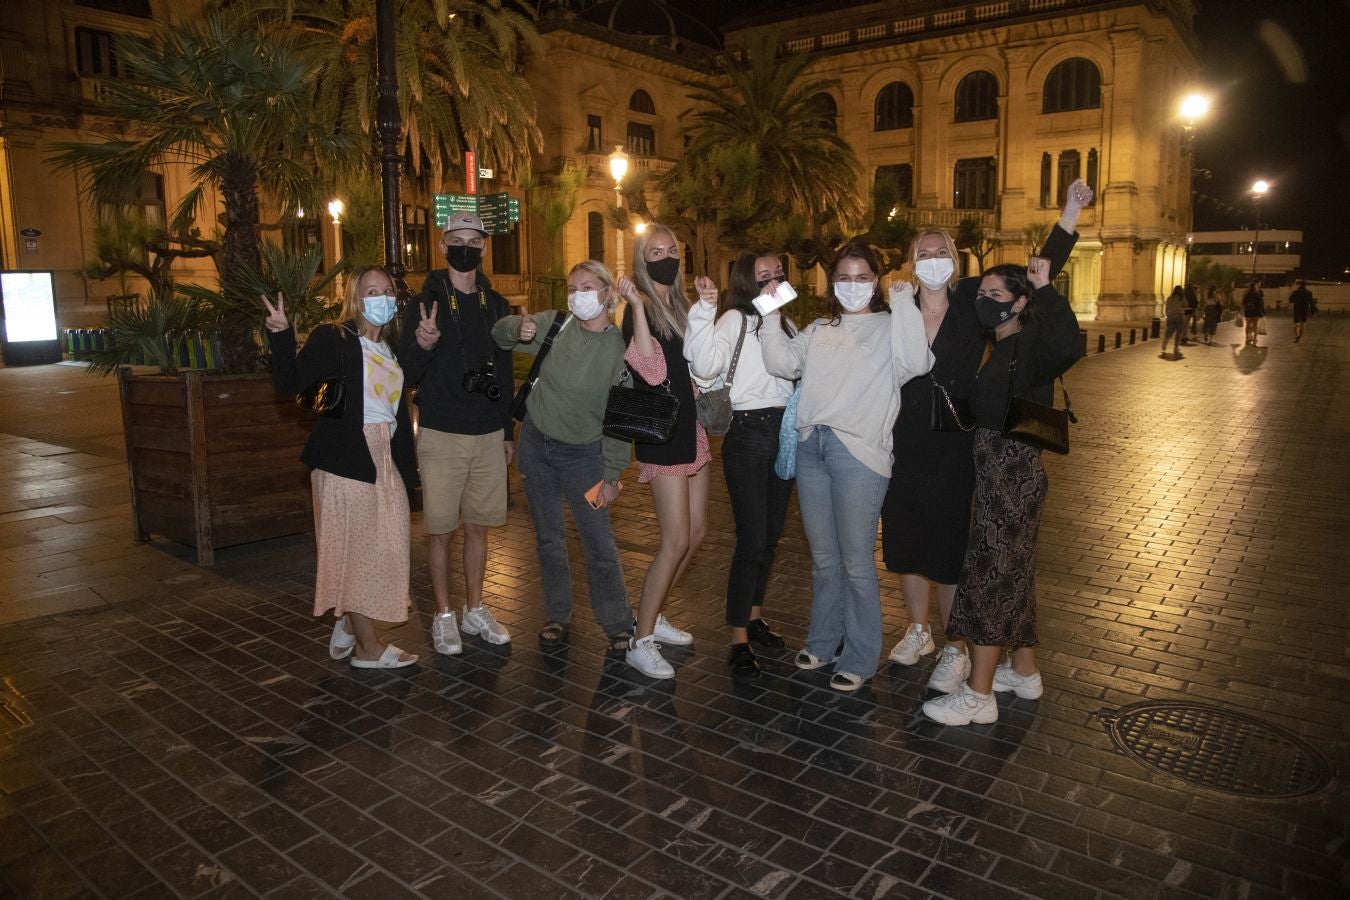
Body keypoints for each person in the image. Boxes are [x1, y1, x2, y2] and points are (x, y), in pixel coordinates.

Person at [882, 181, 1089, 695]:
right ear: (911, 261)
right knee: (904, 538)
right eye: (922, 254)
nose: (932, 260)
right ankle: (917, 631)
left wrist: (1068, 216)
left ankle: (956, 646)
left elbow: (1033, 275)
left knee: (952, 545)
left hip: (956, 438)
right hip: (903, 436)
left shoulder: (974, 299)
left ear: (953, 259)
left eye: (940, 252)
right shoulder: (897, 308)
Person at [761, 239, 933, 692]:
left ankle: (859, 656)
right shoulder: (818, 328)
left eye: (862, 278)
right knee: (823, 559)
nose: (852, 286)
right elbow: (779, 362)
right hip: (812, 448)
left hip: (858, 454)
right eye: (843, 277)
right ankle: (822, 641)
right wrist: (771, 311)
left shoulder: (890, 324)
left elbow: (917, 361)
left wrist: (903, 300)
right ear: (831, 281)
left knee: (856, 562)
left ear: (875, 281)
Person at [922, 258, 1081, 726]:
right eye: (983, 296)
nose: (985, 302)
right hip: (1001, 477)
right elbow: (966, 285)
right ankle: (1025, 670)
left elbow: (1069, 342)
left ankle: (979, 694)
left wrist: (1044, 284)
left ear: (1021, 304)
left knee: (990, 580)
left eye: (997, 296)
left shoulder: (1030, 343)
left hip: (1012, 477)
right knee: (1012, 575)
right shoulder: (1002, 344)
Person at [263, 267, 419, 669]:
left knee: (390, 541)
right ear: (355, 297)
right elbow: (291, 383)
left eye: (387, 290)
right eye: (372, 290)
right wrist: (280, 334)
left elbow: (399, 405)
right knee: (358, 550)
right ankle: (367, 648)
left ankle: (351, 625)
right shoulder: (334, 337)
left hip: (383, 455)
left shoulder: (390, 347)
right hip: (344, 456)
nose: (381, 297)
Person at [492, 261, 637, 651]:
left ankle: (619, 623)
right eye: (573, 288)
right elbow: (501, 335)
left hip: (584, 457)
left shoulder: (619, 349)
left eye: (587, 287)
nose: (578, 295)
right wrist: (515, 328)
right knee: (549, 539)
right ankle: (557, 615)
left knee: (598, 543)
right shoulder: (556, 325)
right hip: (536, 446)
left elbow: (620, 419)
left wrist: (611, 476)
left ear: (608, 293)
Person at [398, 212, 514, 656]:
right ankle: (444, 614)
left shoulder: (496, 304)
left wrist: (507, 430)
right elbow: (408, 372)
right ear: (443, 246)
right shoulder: (424, 302)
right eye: (457, 240)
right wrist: (424, 343)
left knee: (480, 528)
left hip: (487, 432)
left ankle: (475, 608)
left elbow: (504, 371)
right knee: (441, 531)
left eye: (474, 241)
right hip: (442, 431)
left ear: (483, 248)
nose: (466, 248)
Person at [685, 251, 796, 680]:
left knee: (770, 538)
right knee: (751, 541)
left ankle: (753, 616)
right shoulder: (733, 319)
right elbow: (705, 365)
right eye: (763, 276)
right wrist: (704, 313)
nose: (773, 282)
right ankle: (737, 640)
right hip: (747, 433)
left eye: (778, 274)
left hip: (783, 430)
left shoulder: (784, 322)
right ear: (746, 282)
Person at [616, 224, 700, 679]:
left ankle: (655, 610)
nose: (666, 257)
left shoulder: (682, 305)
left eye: (672, 250)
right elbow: (649, 370)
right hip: (662, 432)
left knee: (698, 533)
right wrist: (635, 306)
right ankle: (639, 638)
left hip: (694, 427)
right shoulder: (641, 307)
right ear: (641, 260)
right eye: (655, 251)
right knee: (676, 540)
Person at [1162, 285, 1186, 358]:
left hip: (1171, 316)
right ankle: (1176, 347)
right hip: (1179, 316)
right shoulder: (1182, 298)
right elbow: (1186, 305)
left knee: (1169, 331)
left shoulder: (1170, 298)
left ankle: (1165, 342)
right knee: (1178, 333)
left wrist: (1167, 314)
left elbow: (1167, 307)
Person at [1241, 282, 1265, 347]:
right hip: (1256, 312)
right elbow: (1261, 304)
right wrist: (1262, 312)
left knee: (1248, 326)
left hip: (1248, 312)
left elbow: (1243, 303)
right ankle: (1254, 339)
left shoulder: (1247, 295)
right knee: (1255, 326)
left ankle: (1247, 339)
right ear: (1255, 287)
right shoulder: (1257, 295)